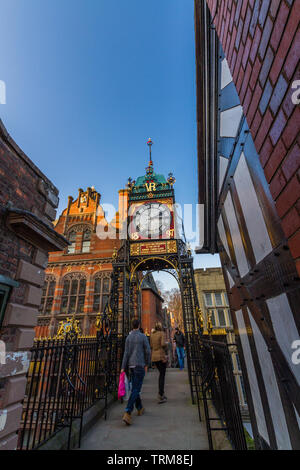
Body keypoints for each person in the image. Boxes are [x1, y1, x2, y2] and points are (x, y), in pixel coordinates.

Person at [121, 318, 151, 425]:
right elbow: (148, 351)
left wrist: (123, 367)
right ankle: (128, 411)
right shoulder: (143, 336)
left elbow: (126, 353)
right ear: (138, 325)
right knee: (136, 389)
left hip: (131, 366)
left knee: (135, 388)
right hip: (140, 365)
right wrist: (147, 364)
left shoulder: (128, 338)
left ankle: (140, 408)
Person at [150, 322, 168, 404]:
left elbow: (151, 345)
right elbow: (163, 344)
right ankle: (160, 394)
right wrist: (167, 344)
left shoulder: (152, 334)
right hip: (161, 356)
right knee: (162, 375)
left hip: (154, 357)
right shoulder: (162, 333)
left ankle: (162, 394)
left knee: (161, 374)